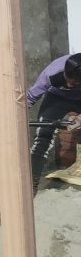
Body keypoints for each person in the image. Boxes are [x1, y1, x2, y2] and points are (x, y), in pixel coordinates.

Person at [28, 53, 81, 193]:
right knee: (43, 137)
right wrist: (3, 115)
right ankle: (30, 187)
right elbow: (30, 97)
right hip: (56, 98)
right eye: (67, 81)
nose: (68, 85)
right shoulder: (52, 72)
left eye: (73, 84)